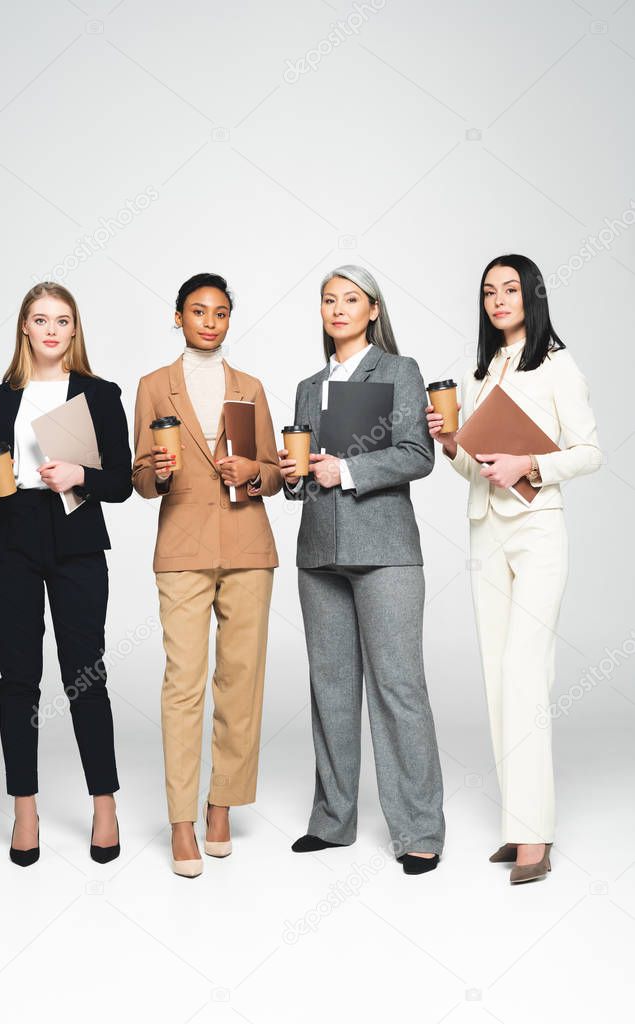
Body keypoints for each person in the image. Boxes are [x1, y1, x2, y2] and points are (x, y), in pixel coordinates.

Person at [427, 254, 601, 884]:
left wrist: (530, 464)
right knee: (499, 677)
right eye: (488, 292)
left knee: (527, 673)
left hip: (537, 530)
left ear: (532, 295)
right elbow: (477, 466)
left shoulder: (556, 363)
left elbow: (590, 452)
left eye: (510, 289)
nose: (498, 300)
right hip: (487, 531)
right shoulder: (484, 370)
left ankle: (536, 838)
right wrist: (452, 445)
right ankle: (519, 825)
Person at [279, 265, 445, 876]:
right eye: (329, 299)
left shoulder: (400, 372)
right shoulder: (306, 386)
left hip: (386, 550)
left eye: (351, 299)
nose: (339, 308)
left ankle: (420, 829)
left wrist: (343, 471)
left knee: (399, 688)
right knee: (330, 690)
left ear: (373, 309)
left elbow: (417, 454)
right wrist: (294, 476)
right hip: (319, 552)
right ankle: (333, 820)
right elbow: (300, 482)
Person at [0, 282, 132, 866]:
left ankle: (105, 804)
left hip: (77, 545)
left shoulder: (98, 393)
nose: (50, 329)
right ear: (24, 328)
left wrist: (81, 476)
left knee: (85, 676)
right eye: (40, 319)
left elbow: (121, 482)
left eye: (61, 320)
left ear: (74, 330)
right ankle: (24, 808)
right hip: (12, 542)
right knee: (18, 680)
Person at [132, 272, 282, 878]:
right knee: (184, 683)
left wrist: (250, 469)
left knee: (241, 681)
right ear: (178, 316)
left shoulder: (250, 387)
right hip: (183, 548)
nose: (211, 321)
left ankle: (222, 804)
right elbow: (139, 480)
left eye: (221, 312)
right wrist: (160, 472)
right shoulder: (152, 387)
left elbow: (275, 472)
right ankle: (181, 821)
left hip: (248, 545)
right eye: (199, 311)